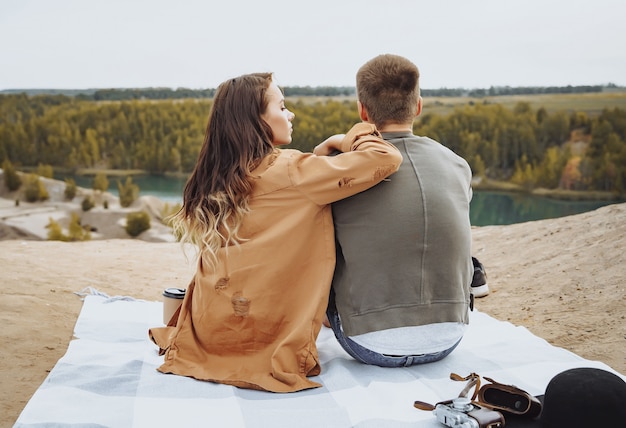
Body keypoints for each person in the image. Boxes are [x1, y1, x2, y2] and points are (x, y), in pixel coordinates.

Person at [148, 72, 402, 392]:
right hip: (258, 341)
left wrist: (317, 156)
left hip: (209, 328)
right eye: (282, 107)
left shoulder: (222, 175)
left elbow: (281, 191)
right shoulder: (294, 172)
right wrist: (345, 139)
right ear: (256, 119)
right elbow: (385, 157)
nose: (290, 113)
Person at [315, 54, 486, 367]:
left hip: (366, 343)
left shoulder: (343, 170)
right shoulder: (456, 164)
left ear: (362, 111)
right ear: (418, 106)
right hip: (449, 337)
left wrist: (323, 152)